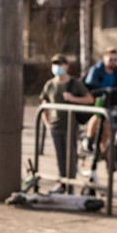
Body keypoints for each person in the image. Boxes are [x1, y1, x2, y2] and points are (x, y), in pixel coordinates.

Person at [39, 54, 94, 194]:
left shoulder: (74, 83)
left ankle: (70, 185)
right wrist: (47, 123)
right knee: (59, 157)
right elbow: (44, 104)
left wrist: (73, 98)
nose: (58, 67)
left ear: (66, 66)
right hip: (55, 126)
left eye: (60, 64)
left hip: (70, 126)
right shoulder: (50, 85)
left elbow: (89, 99)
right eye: (55, 64)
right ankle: (62, 183)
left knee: (70, 157)